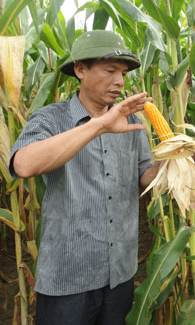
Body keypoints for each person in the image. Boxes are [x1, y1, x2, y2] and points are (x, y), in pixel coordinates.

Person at [9, 30, 159, 325]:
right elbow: (24, 165)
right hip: (69, 278)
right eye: (110, 70)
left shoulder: (132, 121)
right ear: (80, 70)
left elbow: (145, 176)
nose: (119, 81)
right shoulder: (50, 119)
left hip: (120, 273)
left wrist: (176, 161)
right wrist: (100, 125)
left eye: (124, 73)